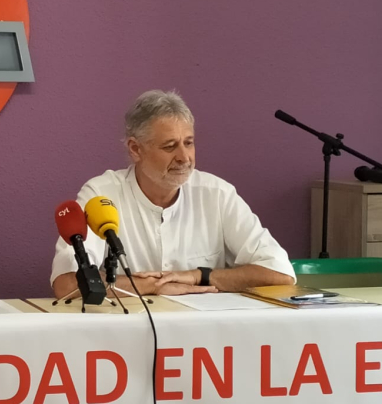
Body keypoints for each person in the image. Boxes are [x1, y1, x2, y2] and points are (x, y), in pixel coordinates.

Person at [51, 90, 295, 298]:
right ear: (135, 149)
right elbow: (67, 283)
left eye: (188, 143)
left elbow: (281, 274)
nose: (184, 157)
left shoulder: (217, 194)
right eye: (169, 147)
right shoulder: (101, 195)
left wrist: (197, 276)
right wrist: (152, 286)